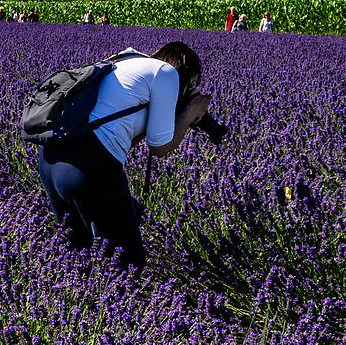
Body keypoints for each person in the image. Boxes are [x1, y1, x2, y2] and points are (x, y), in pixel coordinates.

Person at [37, 41, 216, 269]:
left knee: (78, 257)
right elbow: (159, 148)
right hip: (88, 167)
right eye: (190, 85)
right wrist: (190, 112)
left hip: (51, 158)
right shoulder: (166, 72)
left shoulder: (124, 59)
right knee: (126, 264)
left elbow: (115, 129)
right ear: (184, 74)